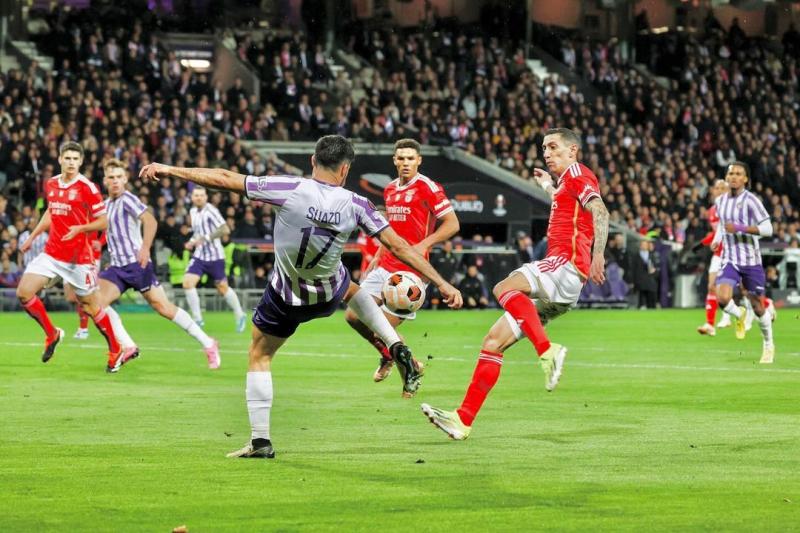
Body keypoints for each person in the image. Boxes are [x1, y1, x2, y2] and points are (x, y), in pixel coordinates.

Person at [139, 135, 463, 459]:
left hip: (286, 296)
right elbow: (399, 247)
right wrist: (443, 283)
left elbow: (224, 178)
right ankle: (395, 344)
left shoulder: (288, 188)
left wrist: (170, 169)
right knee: (350, 287)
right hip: (328, 292)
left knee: (259, 354)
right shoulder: (358, 204)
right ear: (345, 169)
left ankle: (260, 441)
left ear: (312, 161)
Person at [420, 127, 609, 440]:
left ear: (573, 150)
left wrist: (598, 254)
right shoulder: (566, 183)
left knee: (503, 288)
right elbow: (565, 204)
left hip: (565, 265)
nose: (547, 153)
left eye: (553, 147)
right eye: (544, 148)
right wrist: (548, 186)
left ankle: (548, 350)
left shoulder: (578, 174)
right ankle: (463, 419)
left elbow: (599, 210)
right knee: (493, 341)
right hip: (562, 286)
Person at [344, 138, 460, 383]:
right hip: (386, 263)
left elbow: (452, 224)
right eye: (401, 158)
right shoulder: (390, 189)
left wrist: (424, 244)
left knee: (381, 327)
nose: (406, 162)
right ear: (394, 160)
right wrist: (378, 255)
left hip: (411, 272)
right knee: (353, 316)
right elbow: (391, 229)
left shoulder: (428, 187)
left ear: (419, 160)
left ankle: (410, 373)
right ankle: (392, 357)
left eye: (410, 158)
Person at [16, 142, 135, 372]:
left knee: (91, 307)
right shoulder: (51, 183)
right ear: (60, 159)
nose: (71, 162)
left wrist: (81, 228)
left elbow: (103, 221)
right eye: (67, 158)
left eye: (75, 159)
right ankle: (52, 334)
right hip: (52, 253)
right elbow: (51, 211)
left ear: (80, 162)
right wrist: (32, 237)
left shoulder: (88, 188)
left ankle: (115, 349)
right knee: (24, 292)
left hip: (78, 259)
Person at [93, 159, 221, 369]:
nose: (115, 181)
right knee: (96, 303)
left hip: (137, 265)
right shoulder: (106, 206)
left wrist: (145, 248)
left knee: (163, 308)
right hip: (117, 267)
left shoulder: (127, 199)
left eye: (119, 177)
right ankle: (128, 346)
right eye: (111, 177)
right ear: (105, 181)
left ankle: (208, 343)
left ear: (125, 179)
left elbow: (150, 221)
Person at [711, 161, 775, 363]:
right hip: (730, 259)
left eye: (739, 174)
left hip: (750, 260)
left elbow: (768, 229)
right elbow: (723, 226)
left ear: (745, 179)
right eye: (731, 173)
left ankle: (768, 345)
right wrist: (717, 239)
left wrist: (740, 228)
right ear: (726, 177)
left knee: (758, 306)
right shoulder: (720, 201)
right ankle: (739, 314)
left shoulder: (751, 201)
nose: (734, 177)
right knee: (722, 298)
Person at [182, 186, 247, 332]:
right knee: (187, 283)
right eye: (196, 195)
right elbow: (198, 233)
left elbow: (225, 229)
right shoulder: (193, 211)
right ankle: (198, 320)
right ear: (192, 197)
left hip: (215, 256)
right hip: (200, 255)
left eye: (201, 195)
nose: (199, 198)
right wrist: (192, 242)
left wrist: (205, 238)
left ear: (206, 197)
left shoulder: (211, 210)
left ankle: (240, 314)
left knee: (222, 288)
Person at [696, 179, 729, 335]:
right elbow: (716, 233)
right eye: (717, 188)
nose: (719, 190)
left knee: (745, 289)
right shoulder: (711, 211)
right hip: (718, 253)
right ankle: (710, 324)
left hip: (732, 252)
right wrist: (702, 244)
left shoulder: (731, 209)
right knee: (711, 286)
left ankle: (767, 306)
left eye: (722, 188)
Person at [71, 231, 104, 339]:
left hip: (90, 257)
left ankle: (84, 329)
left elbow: (108, 227)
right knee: (72, 296)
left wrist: (101, 242)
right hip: (73, 256)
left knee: (85, 293)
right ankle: (102, 319)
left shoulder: (94, 219)